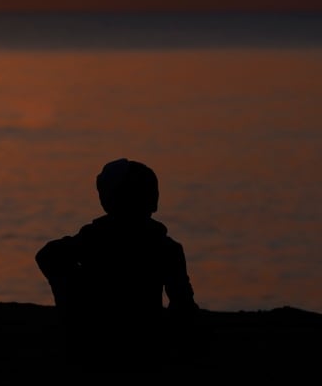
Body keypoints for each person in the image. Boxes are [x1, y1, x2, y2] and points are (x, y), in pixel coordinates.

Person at [35, 157, 201, 368]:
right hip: (145, 344)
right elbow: (183, 305)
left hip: (97, 342)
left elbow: (47, 256)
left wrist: (73, 297)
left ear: (110, 200)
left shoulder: (95, 238)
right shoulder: (168, 248)